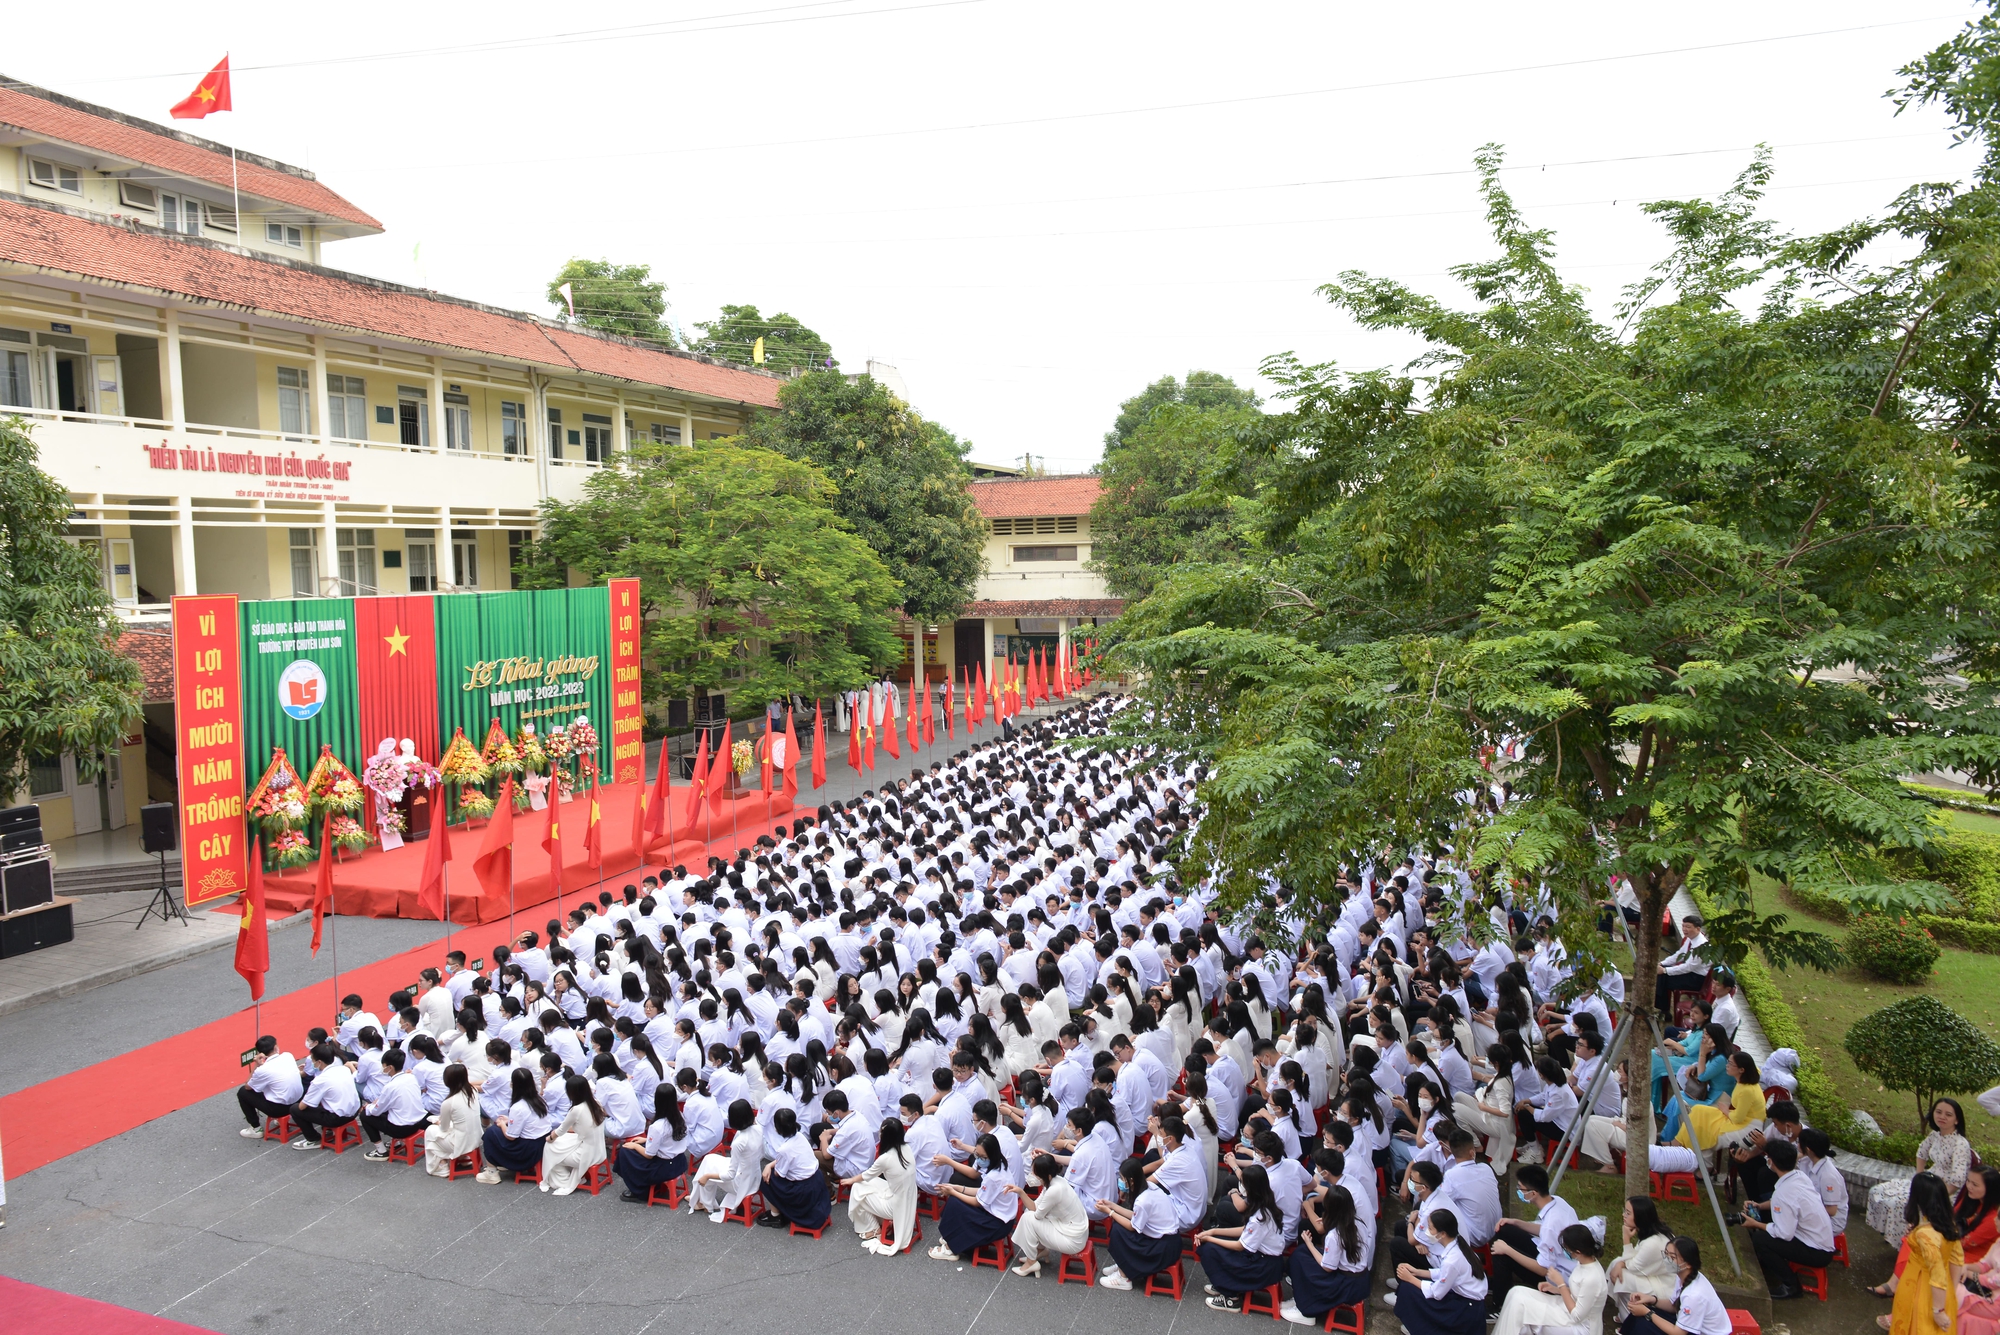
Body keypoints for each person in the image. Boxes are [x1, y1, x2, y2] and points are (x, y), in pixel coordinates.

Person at [1730, 1139, 1834, 1300]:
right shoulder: (1799, 1177)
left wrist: (1755, 1224)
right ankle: (1773, 1264)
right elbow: (1783, 1204)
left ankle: (1791, 1286)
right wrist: (1759, 1206)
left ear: (1771, 1161)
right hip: (1822, 1242)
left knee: (1760, 1239)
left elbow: (1784, 1233)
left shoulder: (1784, 1192)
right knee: (1765, 1234)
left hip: (1816, 1251)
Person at [1870, 1099, 1976, 1246]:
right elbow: (1921, 1152)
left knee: (1899, 1203)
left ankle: (1909, 1244)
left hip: (1944, 1192)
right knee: (1879, 1191)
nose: (1942, 1117)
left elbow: (1957, 1181)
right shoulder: (1936, 1135)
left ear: (1957, 1119)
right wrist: (1919, 1178)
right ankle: (1893, 1235)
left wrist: (1933, 1196)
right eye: (1938, 1112)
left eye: (1948, 1114)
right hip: (1927, 1181)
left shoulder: (1960, 1144)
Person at [1194, 1161, 1289, 1311]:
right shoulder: (1265, 1203)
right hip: (1265, 1259)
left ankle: (1231, 1297)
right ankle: (1224, 1283)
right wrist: (1213, 1231)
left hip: (1263, 1266)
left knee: (1209, 1249)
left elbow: (1240, 1246)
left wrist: (1209, 1238)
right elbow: (1245, 1229)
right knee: (1216, 1244)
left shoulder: (1261, 1216)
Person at [1877, 1172, 1962, 1335]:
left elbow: (1936, 1273)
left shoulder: (1926, 1234)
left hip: (1919, 1289)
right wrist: (1950, 1292)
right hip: (1945, 1293)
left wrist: (1938, 1311)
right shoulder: (1949, 1225)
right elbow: (1957, 1259)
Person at [1487, 1164, 1580, 1312]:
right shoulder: (1558, 1202)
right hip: (1554, 1257)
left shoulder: (1551, 1224)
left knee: (1501, 1253)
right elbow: (1546, 1231)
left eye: (1521, 1188)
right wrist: (1517, 1223)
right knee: (1505, 1230)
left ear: (1533, 1193)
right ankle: (1500, 1282)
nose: (1518, 1191)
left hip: (1556, 1276)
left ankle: (1499, 1306)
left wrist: (1508, 1250)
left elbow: (1543, 1270)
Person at [1283, 1183, 1373, 1326]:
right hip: (1361, 1280)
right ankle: (1301, 1299)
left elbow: (1327, 1267)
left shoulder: (1335, 1235)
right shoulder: (1358, 1222)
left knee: (1300, 1257)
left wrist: (1309, 1243)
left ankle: (1306, 1311)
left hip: (1345, 1285)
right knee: (1303, 1253)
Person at [1492, 1223, 1607, 1335]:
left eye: (1567, 1250)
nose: (1565, 1252)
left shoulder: (1592, 1278)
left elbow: (1577, 1316)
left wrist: (1560, 1285)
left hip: (1578, 1326)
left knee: (1520, 1304)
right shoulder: (1582, 1262)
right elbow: (1580, 1292)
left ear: (1578, 1252)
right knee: (1516, 1292)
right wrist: (1555, 1289)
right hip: (1567, 1307)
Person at [1393, 1207, 1490, 1335]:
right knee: (1411, 1286)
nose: (1428, 1231)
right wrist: (1417, 1272)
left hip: (1465, 1309)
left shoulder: (1453, 1259)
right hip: (1466, 1300)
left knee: (1408, 1289)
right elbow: (1444, 1273)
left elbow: (1437, 1292)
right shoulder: (1459, 1245)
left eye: (1431, 1228)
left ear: (1442, 1234)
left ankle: (1417, 1326)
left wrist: (1410, 1278)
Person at [930, 1130, 1021, 1260]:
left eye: (982, 1157)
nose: (979, 1159)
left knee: (955, 1203)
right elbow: (981, 1192)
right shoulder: (999, 1164)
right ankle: (952, 1238)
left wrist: (953, 1191)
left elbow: (976, 1201)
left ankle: (951, 1248)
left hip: (997, 1223)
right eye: (977, 1155)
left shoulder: (994, 1177)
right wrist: (957, 1188)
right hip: (999, 1214)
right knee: (956, 1198)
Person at [1097, 1154, 1182, 1291]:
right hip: (1168, 1241)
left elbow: (1132, 1226)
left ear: (1131, 1181)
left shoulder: (1143, 1200)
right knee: (1119, 1226)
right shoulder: (1150, 1188)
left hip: (1162, 1249)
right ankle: (1122, 1264)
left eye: (1122, 1178)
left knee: (1118, 1231)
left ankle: (1124, 1277)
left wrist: (1109, 1212)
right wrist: (1112, 1206)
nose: (1120, 1181)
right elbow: (1136, 1216)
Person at [1619, 1236, 1730, 1335]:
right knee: (1638, 1317)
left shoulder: (1694, 1295)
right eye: (1666, 1254)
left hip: (1697, 1331)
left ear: (1688, 1264)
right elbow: (1674, 1306)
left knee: (1643, 1326)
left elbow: (1678, 1333)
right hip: (1688, 1326)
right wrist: (1652, 1299)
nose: (1667, 1260)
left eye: (1672, 1257)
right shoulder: (1683, 1275)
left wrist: (1647, 1313)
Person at [1007, 1151, 1090, 1277]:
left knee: (1028, 1218)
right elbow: (1035, 1207)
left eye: (1036, 1174)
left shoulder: (1054, 1190)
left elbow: (1037, 1215)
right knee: (1029, 1213)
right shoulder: (1056, 1181)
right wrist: (1020, 1192)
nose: (1033, 1176)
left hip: (1073, 1240)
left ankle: (1031, 1262)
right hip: (1074, 1231)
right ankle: (1040, 1250)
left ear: (1047, 1176)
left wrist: (1021, 1193)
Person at [847, 1117, 919, 1254]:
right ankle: (874, 1224)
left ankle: (871, 1228)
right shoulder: (907, 1148)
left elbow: (867, 1175)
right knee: (863, 1185)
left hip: (895, 1206)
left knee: (857, 1188)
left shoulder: (885, 1159)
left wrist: (850, 1180)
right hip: (907, 1198)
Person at [1674, 1051, 1765, 1153]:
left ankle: (1698, 1158)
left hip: (1748, 1126)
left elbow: (1738, 1118)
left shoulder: (1747, 1090)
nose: (1727, 1066)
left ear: (1741, 1070)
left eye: (1730, 1064)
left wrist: (1726, 1110)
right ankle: (1678, 1143)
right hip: (1736, 1117)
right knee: (1698, 1110)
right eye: (1728, 1062)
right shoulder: (1743, 1081)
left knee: (1708, 1129)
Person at [759, 1107, 832, 1230]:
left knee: (767, 1179)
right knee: (771, 1171)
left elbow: (778, 1174)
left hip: (803, 1190)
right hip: (816, 1180)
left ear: (777, 1128)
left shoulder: (784, 1149)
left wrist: (769, 1167)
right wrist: (769, 1164)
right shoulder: (800, 1136)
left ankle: (775, 1215)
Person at [477, 1067, 553, 1183]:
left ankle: (491, 1172)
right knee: (496, 1131)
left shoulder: (518, 1107)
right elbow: (528, 1120)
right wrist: (509, 1120)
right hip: (541, 1142)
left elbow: (511, 1136)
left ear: (514, 1085)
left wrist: (502, 1124)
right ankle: (500, 1163)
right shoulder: (539, 1099)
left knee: (491, 1133)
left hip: (527, 1150)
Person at [690, 1099, 762, 1221]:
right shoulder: (759, 1129)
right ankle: (698, 1199)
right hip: (753, 1175)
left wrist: (707, 1176)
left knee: (707, 1169)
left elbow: (730, 1175)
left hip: (739, 1182)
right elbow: (762, 1154)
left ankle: (704, 1203)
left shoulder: (739, 1141)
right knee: (708, 1159)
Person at [540, 1075, 608, 1196]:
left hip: (586, 1155)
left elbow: (560, 1130)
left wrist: (549, 1138)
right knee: (561, 1144)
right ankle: (571, 1176)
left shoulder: (576, 1109)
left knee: (550, 1150)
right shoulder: (596, 1103)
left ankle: (564, 1181)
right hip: (599, 1150)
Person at [1607, 1196, 1677, 1308]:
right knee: (1617, 1264)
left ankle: (1629, 1316)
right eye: (1624, 1211)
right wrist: (1620, 1263)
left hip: (1663, 1288)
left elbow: (1633, 1267)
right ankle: (1626, 1312)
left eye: (1628, 1213)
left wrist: (1626, 1239)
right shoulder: (1654, 1232)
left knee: (1622, 1277)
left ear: (1640, 1216)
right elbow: (1634, 1258)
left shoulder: (1653, 1242)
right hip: (1654, 1277)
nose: (1623, 1215)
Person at [360, 1047, 429, 1160]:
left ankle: (381, 1151)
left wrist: (367, 1107)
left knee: (365, 1115)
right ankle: (395, 1143)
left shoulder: (390, 1086)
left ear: (390, 1067)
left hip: (402, 1128)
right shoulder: (411, 1077)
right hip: (418, 1122)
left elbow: (376, 1111)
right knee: (388, 1110)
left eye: (384, 1066)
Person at [289, 1041, 358, 1149]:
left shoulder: (320, 1080)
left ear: (319, 1062)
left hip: (338, 1117)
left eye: (312, 1060)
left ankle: (313, 1139)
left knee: (295, 1109)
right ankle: (328, 1130)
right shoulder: (344, 1069)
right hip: (354, 1111)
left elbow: (302, 1106)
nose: (312, 1063)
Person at [236, 1036, 304, 1137]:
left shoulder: (262, 1069)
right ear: (276, 1047)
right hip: (299, 1101)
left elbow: (247, 1086)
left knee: (242, 1092)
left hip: (279, 1109)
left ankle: (256, 1128)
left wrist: (257, 1065)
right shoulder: (288, 1055)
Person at [423, 1063, 482, 1176]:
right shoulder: (473, 1090)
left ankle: (441, 1165)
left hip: (460, 1142)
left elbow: (443, 1128)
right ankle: (464, 1157)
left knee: (430, 1131)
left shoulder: (448, 1102)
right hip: (476, 1136)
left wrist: (437, 1122)